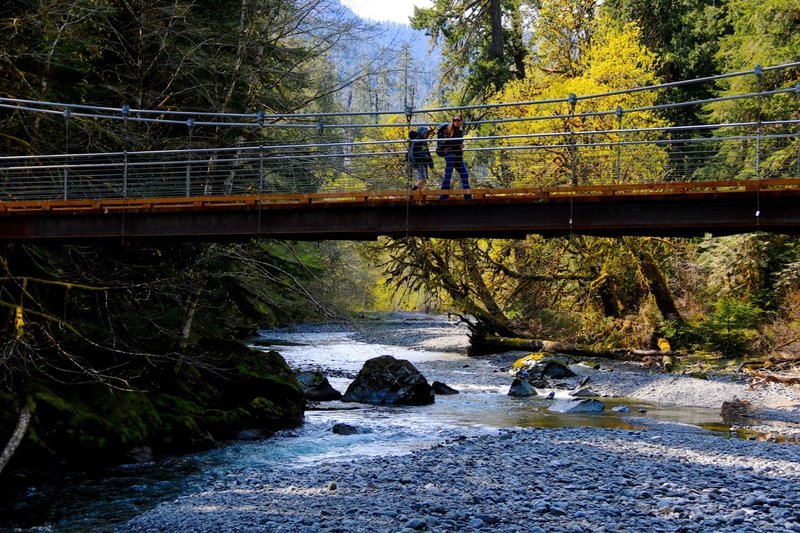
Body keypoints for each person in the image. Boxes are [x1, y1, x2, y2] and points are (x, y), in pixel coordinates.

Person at [438, 114, 471, 200]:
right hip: (451, 155)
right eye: (455, 120)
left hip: (458, 156)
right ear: (453, 121)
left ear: (461, 121)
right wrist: (458, 144)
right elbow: (453, 141)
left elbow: (457, 142)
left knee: (464, 174)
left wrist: (459, 145)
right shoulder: (449, 130)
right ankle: (443, 196)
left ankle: (467, 196)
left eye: (458, 120)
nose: (456, 122)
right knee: (448, 174)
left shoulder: (458, 130)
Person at [408, 126, 434, 191]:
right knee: (423, 178)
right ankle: (413, 190)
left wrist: (431, 163)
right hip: (419, 162)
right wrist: (414, 162)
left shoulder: (423, 141)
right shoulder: (416, 141)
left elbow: (427, 152)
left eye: (428, 133)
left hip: (424, 162)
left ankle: (418, 193)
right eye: (426, 133)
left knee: (422, 179)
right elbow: (412, 152)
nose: (427, 134)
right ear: (422, 132)